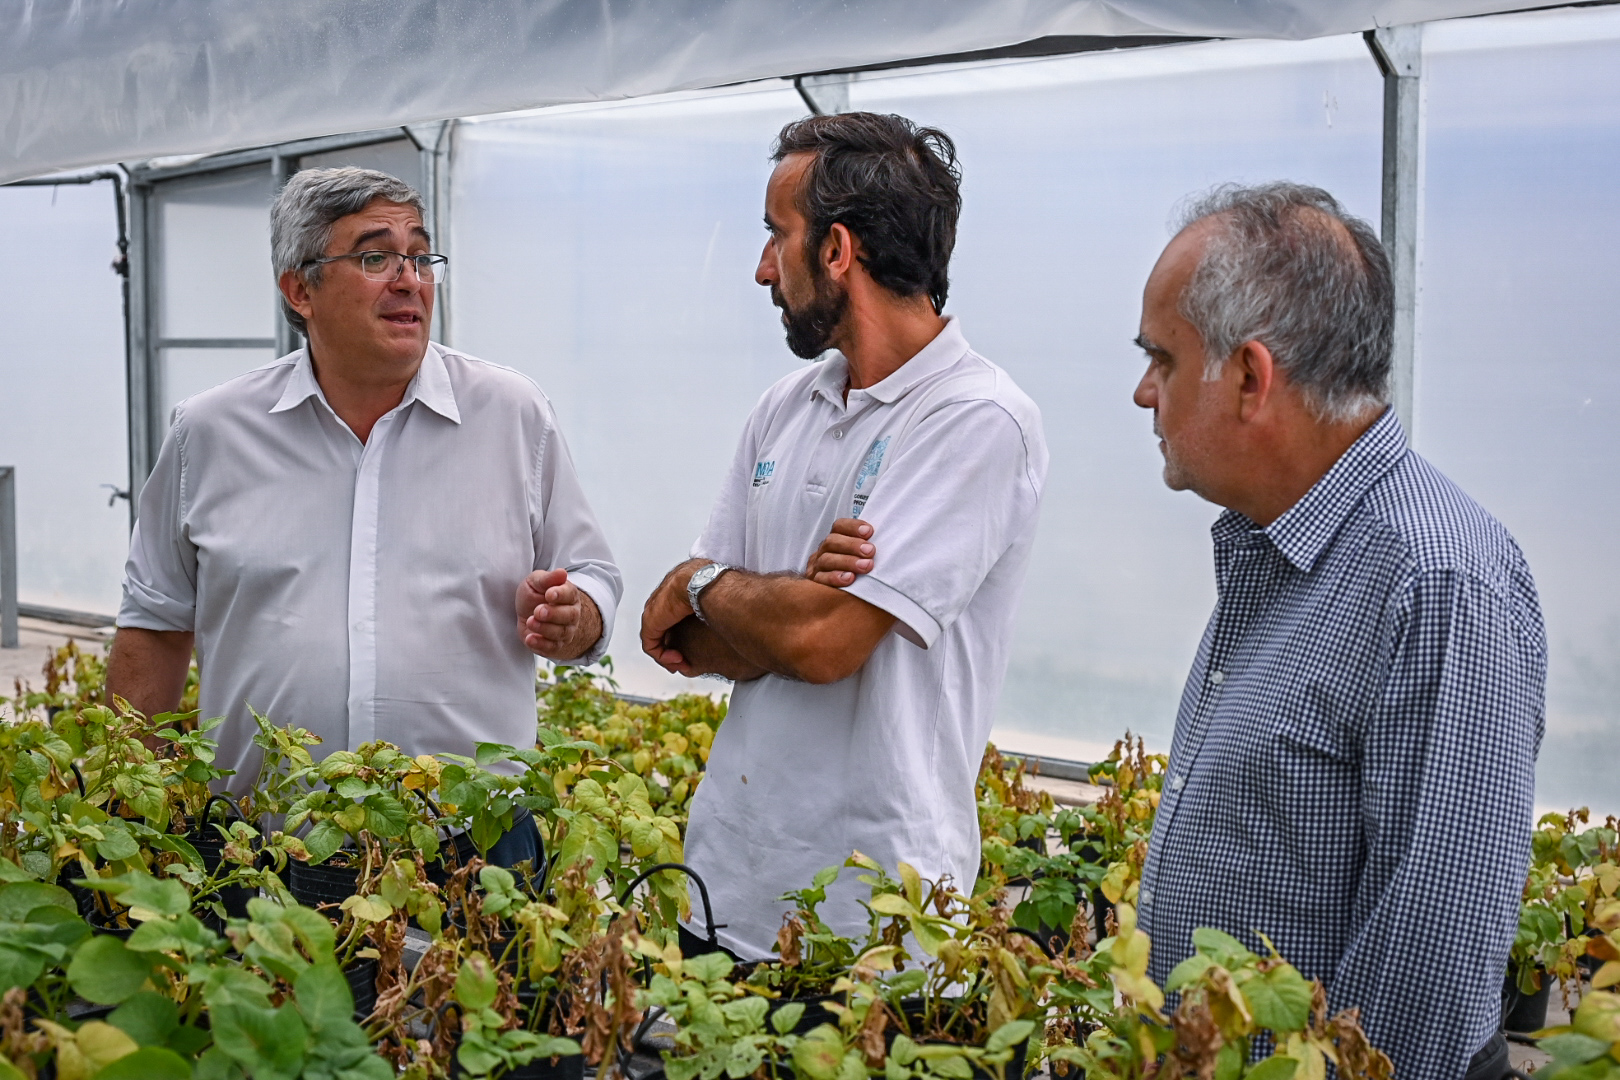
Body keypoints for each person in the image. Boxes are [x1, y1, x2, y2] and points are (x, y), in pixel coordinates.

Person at [1131, 182, 1545, 1080]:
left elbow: (1429, 964)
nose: (1142, 392)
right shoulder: (1281, 546)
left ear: (1250, 376)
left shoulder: (1437, 581)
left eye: (1163, 358)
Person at [109, 167, 623, 865]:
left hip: (477, 847)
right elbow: (155, 621)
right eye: (376, 257)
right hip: (257, 851)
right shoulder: (211, 432)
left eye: (421, 255)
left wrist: (575, 613)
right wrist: (141, 824)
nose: (410, 280)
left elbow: (592, 574)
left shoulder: (511, 414)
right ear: (300, 290)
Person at [639, 112, 1048, 960]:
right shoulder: (786, 407)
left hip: (874, 922)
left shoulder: (977, 419)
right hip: (725, 889)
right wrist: (770, 596)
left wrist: (703, 582)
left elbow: (822, 645)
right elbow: (692, 643)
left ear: (836, 251)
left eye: (775, 235)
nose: (762, 268)